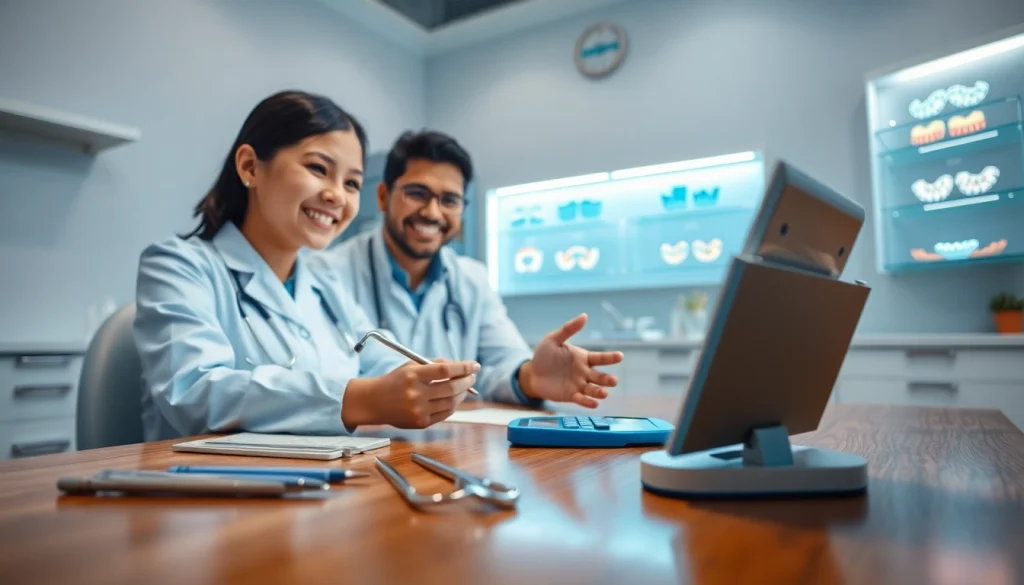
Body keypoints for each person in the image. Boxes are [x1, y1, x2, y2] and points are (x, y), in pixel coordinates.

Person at [133, 91, 480, 441]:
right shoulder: (177, 266)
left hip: (325, 480)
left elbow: (380, 359)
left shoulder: (324, 280)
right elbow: (193, 393)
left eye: (352, 183)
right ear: (250, 166)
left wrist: (428, 382)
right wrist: (364, 399)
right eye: (318, 168)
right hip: (211, 487)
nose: (337, 196)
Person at [313, 130, 623, 409]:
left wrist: (532, 377)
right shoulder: (330, 272)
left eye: (449, 200)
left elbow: (500, 363)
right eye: (417, 193)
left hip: (454, 447)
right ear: (383, 196)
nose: (432, 212)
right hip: (369, 444)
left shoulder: (471, 279)